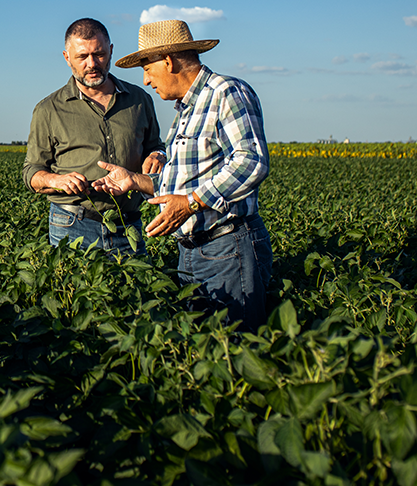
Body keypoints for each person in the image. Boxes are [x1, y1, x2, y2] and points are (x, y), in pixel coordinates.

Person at [91, 19, 272, 329]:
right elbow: (185, 182)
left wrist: (191, 202)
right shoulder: (185, 109)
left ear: (168, 61)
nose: (146, 81)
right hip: (191, 252)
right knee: (202, 346)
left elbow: (252, 160)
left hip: (227, 249)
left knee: (236, 347)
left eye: (147, 69)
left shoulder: (225, 92)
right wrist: (134, 181)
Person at [23, 18, 166, 255]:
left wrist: (158, 155)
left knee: (136, 290)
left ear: (110, 51)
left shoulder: (139, 100)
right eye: (82, 57)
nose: (92, 64)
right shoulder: (48, 109)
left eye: (99, 54)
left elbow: (155, 145)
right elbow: (31, 171)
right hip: (73, 225)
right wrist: (54, 180)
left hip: (129, 225)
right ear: (67, 57)